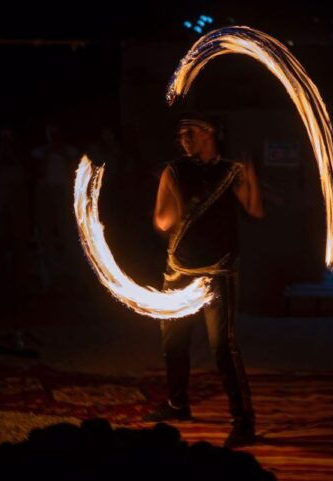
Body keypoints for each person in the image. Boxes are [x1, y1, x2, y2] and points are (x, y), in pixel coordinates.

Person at [143, 112, 264, 448]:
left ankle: (244, 421)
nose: (184, 139)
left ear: (210, 133)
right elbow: (161, 222)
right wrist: (181, 205)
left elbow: (255, 211)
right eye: (181, 134)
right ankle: (178, 405)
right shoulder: (174, 170)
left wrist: (251, 176)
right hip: (179, 270)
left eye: (190, 133)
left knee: (223, 347)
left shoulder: (231, 171)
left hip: (218, 272)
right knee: (174, 344)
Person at [30, 125, 79, 291]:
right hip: (46, 193)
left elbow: (74, 170)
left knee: (68, 234)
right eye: (51, 134)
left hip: (64, 194)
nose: (54, 137)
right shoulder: (40, 152)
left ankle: (72, 276)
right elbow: (38, 172)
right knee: (46, 235)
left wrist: (62, 154)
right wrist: (49, 153)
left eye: (57, 134)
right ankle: (49, 277)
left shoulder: (70, 151)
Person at [0, 128, 30, 293]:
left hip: (18, 199)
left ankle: (20, 281)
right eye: (4, 136)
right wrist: (1, 155)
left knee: (20, 241)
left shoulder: (21, 155)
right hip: (0, 199)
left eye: (9, 136)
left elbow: (28, 175)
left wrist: (13, 155)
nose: (7, 139)